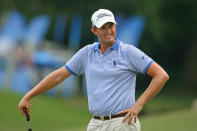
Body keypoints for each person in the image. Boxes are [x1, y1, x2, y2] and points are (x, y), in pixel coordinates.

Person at [19, 9, 169, 131]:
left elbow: (161, 75)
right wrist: (29, 95)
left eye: (111, 26)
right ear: (94, 30)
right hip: (96, 124)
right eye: (103, 27)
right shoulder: (87, 53)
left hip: (122, 123)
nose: (109, 30)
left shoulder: (128, 52)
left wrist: (139, 104)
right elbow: (59, 76)